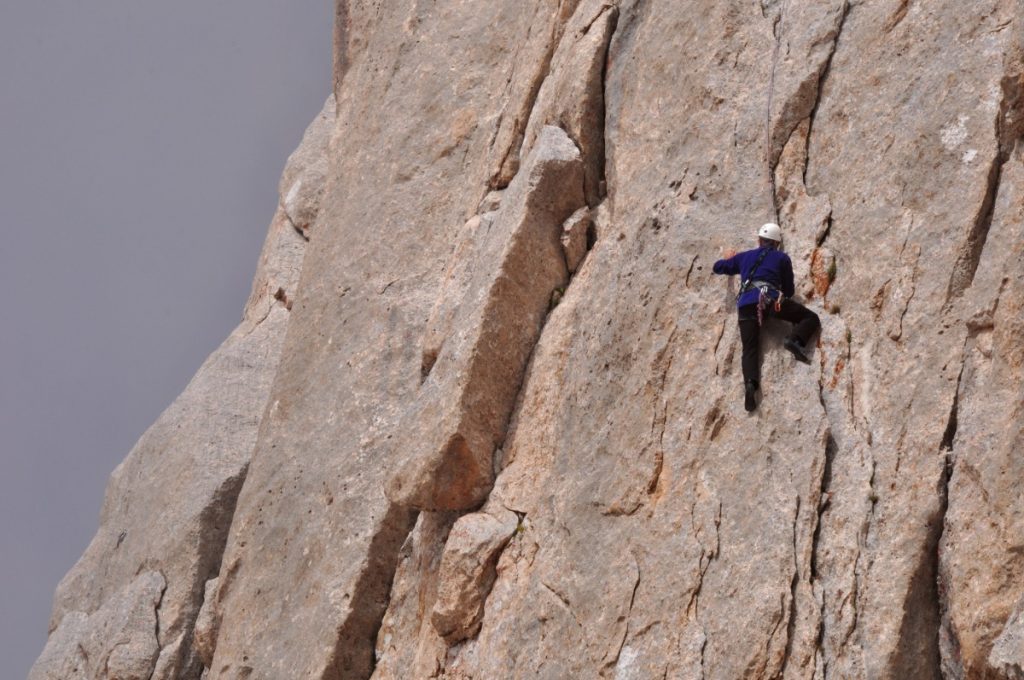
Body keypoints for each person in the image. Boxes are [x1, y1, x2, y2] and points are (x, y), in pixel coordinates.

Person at [712, 222, 820, 412]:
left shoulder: (744, 257)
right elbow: (788, 290)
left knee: (750, 348)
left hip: (746, 305)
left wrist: (728, 259)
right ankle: (794, 340)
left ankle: (750, 385)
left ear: (759, 240)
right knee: (810, 318)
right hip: (769, 300)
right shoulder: (782, 258)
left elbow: (718, 267)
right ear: (777, 243)